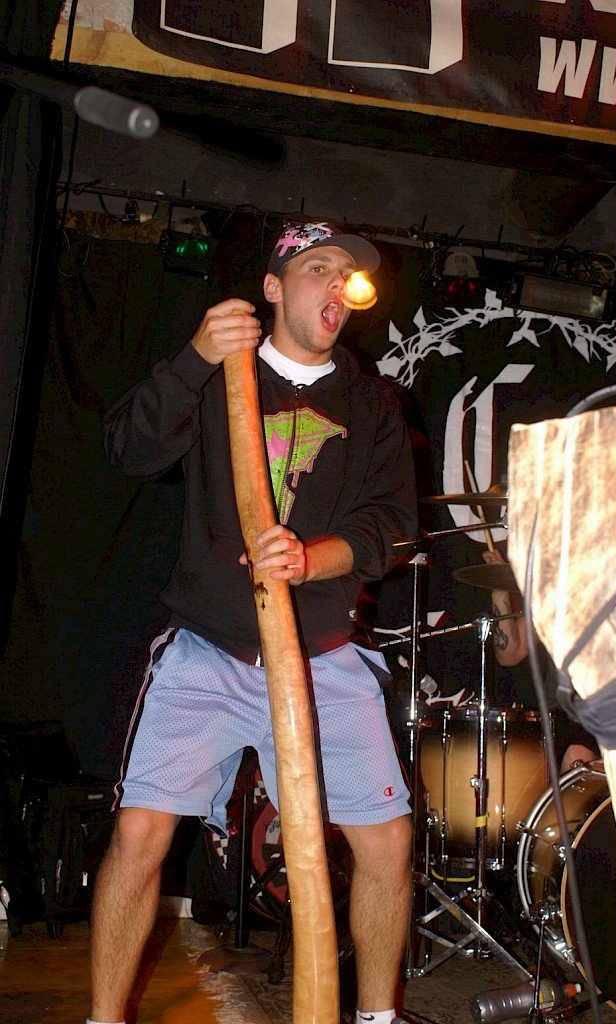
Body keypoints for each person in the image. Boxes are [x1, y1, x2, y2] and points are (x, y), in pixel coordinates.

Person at [90, 222, 418, 1024]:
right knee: (139, 834)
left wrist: (310, 558)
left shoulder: (372, 402)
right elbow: (128, 451)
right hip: (208, 653)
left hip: (322, 656)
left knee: (385, 842)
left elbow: (390, 529)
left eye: (347, 276)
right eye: (317, 268)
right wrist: (194, 359)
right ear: (272, 287)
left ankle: (375, 1018)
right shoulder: (214, 375)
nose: (336, 285)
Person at [482, 548, 599, 773]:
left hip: (613, 708)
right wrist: (499, 589)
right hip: (564, 716)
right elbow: (509, 654)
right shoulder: (559, 596)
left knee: (579, 752)